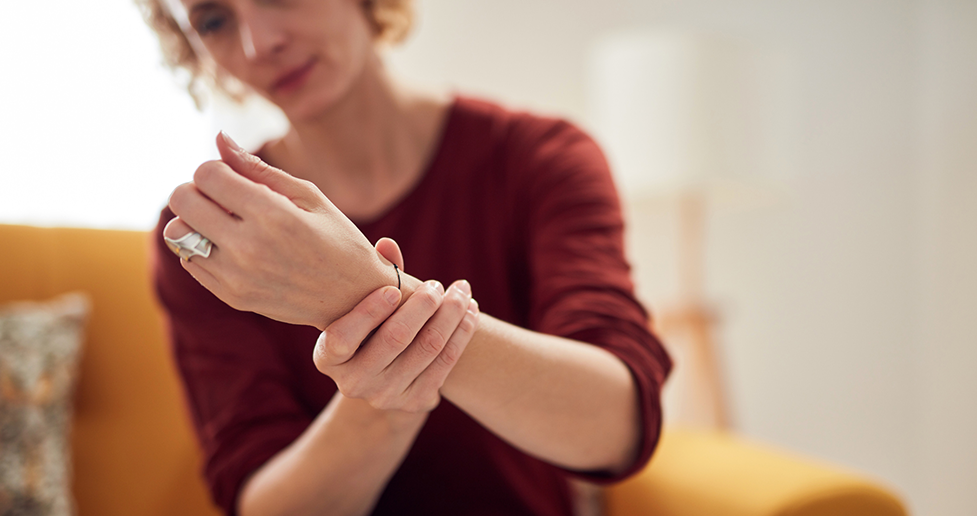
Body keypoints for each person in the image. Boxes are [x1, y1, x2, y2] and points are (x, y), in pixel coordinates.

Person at [142, 0, 672, 515]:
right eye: (214, 21)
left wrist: (358, 290)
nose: (260, 43)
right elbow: (261, 501)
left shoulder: (541, 159)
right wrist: (388, 383)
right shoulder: (209, 235)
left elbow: (616, 428)